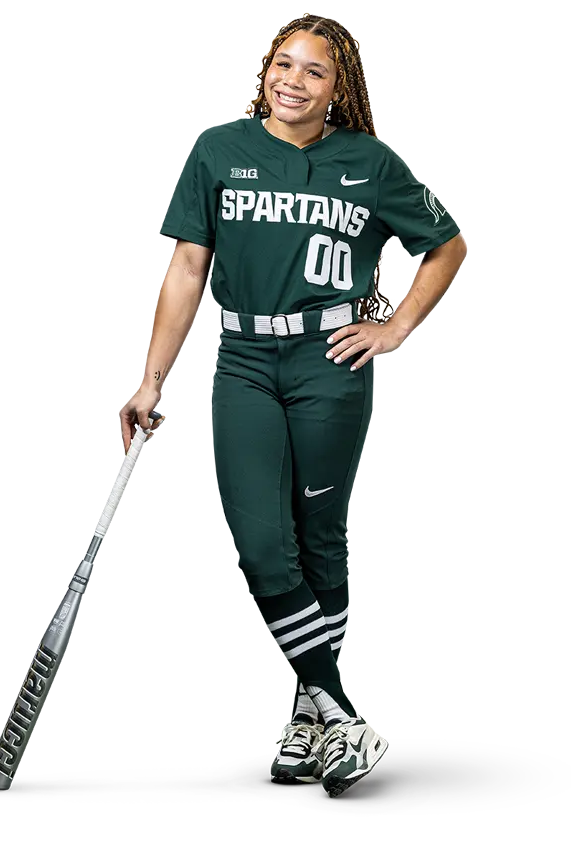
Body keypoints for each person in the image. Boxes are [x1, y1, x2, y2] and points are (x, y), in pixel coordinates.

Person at [119, 13, 468, 798]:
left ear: (337, 87)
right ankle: (341, 712)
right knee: (259, 538)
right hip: (242, 359)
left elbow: (446, 245)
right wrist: (151, 377)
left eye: (315, 70)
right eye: (284, 63)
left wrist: (397, 327)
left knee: (321, 536)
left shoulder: (370, 163)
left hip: (328, 359)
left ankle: (309, 723)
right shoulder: (217, 147)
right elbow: (185, 268)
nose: (294, 80)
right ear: (264, 69)